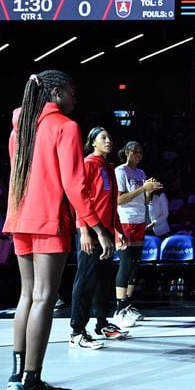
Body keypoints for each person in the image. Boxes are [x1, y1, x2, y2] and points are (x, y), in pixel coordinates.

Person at [2, 70, 115, 390]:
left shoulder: (20, 129)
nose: (75, 96)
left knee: (27, 296)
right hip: (49, 218)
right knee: (44, 298)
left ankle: (16, 377)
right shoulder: (65, 127)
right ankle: (32, 383)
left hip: (20, 217)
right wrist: (95, 226)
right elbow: (74, 185)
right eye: (71, 90)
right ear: (56, 92)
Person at [69, 126, 128, 350]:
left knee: (103, 280)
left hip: (106, 231)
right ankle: (76, 331)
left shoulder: (108, 166)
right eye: (103, 137)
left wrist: (117, 230)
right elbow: (79, 199)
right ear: (92, 142)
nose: (108, 140)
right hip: (91, 231)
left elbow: (110, 204)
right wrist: (83, 231)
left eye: (110, 137)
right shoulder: (88, 164)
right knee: (85, 279)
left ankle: (101, 323)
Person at [114, 141, 163, 327]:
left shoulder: (140, 173)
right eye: (135, 152)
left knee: (135, 264)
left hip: (139, 220)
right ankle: (119, 307)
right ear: (126, 152)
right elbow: (119, 199)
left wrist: (149, 191)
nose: (138, 155)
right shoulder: (121, 171)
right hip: (125, 220)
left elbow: (143, 199)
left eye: (140, 152)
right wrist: (143, 188)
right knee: (126, 263)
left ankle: (128, 304)